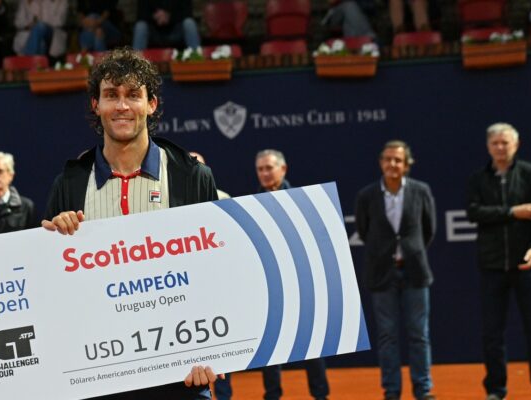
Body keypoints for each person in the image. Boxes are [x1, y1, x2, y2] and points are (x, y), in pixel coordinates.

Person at [41, 47, 220, 399]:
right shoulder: (70, 184)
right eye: (111, 95)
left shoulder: (191, 176)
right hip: (100, 374)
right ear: (96, 105)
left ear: (151, 104)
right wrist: (53, 239)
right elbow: (51, 288)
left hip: (182, 371)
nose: (122, 106)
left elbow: (215, 273)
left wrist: (213, 349)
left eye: (133, 95)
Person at [214, 149, 330, 400]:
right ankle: (273, 395)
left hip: (303, 282)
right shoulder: (250, 204)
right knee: (273, 345)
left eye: (269, 168)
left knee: (312, 344)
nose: (265, 173)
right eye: (260, 169)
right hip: (270, 287)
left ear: (283, 169)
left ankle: (320, 395)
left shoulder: (304, 201)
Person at [466, 123, 531, 400]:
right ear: (489, 146)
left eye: (505, 143)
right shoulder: (478, 179)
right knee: (492, 333)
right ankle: (496, 390)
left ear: (516, 145)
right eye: (496, 143)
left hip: (528, 266)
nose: (500, 147)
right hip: (492, 266)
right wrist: (512, 212)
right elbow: (474, 212)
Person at [354, 141, 436, 400]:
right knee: (388, 336)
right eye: (388, 159)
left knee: (419, 335)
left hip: (415, 272)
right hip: (382, 274)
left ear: (407, 164)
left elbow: (428, 229)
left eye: (398, 160)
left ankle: (423, 390)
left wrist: (410, 251)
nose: (392, 164)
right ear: (381, 162)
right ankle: (391, 391)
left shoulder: (421, 191)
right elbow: (365, 231)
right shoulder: (366, 195)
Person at [132, 0, 201, 50]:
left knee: (189, 23)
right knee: (140, 26)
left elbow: (188, 13)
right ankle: (135, 64)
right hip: (154, 32)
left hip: (176, 31)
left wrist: (169, 17)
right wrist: (155, 17)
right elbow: (140, 15)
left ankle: (196, 58)